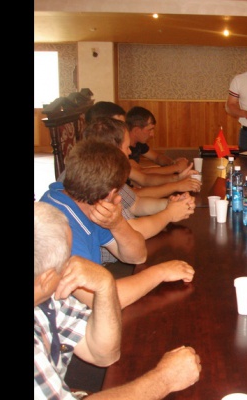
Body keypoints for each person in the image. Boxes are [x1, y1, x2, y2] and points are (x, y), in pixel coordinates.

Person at [34, 202, 202, 399]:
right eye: (67, 259)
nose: (74, 262)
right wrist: (164, 379)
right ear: (46, 279)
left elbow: (103, 354)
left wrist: (105, 285)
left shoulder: (48, 299)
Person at [39, 139, 195, 309]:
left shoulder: (86, 202)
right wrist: (161, 272)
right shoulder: (58, 225)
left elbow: (137, 256)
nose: (120, 198)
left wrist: (118, 224)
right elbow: (100, 300)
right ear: (110, 193)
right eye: (119, 192)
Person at [80, 117, 196, 264]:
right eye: (126, 147)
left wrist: (170, 204)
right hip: (110, 266)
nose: (130, 152)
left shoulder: (105, 170)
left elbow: (135, 204)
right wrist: (169, 214)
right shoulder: (94, 180)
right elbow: (133, 230)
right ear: (112, 150)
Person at [126, 106, 191, 175]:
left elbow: (157, 157)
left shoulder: (139, 142)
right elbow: (140, 172)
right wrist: (176, 167)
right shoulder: (122, 147)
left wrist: (173, 163)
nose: (152, 134)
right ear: (136, 131)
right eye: (150, 130)